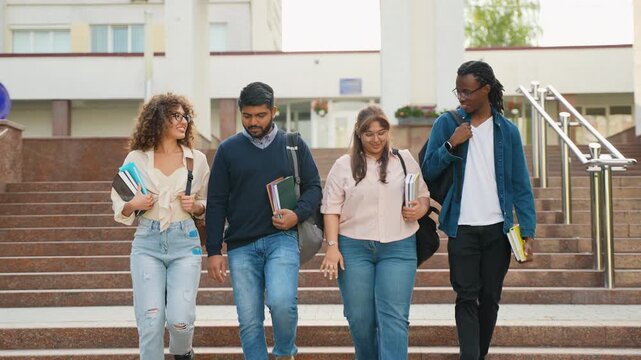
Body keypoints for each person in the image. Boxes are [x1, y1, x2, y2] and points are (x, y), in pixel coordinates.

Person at [422, 60, 537, 360]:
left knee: (490, 299)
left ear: (486, 89)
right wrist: (450, 145)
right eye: (458, 91)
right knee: (466, 297)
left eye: (467, 92)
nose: (461, 98)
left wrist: (527, 230)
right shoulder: (446, 124)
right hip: (461, 227)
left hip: (498, 229)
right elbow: (428, 171)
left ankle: (477, 354)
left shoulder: (507, 132)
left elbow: (520, 184)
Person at [205, 82, 322, 360]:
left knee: (282, 303)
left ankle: (284, 353)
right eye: (247, 116)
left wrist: (298, 214)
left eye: (260, 115)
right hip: (240, 246)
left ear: (273, 112)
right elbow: (216, 201)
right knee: (249, 320)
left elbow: (315, 187)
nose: (253, 122)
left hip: (281, 239)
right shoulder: (228, 150)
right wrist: (213, 250)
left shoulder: (293, 144)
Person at [320, 105, 429, 360]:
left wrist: (419, 210)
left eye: (381, 132)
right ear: (359, 134)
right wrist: (332, 246)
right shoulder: (343, 165)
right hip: (353, 248)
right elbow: (331, 209)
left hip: (398, 247)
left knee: (394, 318)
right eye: (369, 133)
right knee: (360, 319)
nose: (376, 138)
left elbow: (424, 195)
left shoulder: (403, 159)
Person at [111, 93, 210, 360]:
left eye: (185, 116)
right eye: (175, 116)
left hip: (184, 241)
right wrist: (134, 203)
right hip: (147, 242)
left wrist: (197, 206)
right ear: (158, 119)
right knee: (151, 320)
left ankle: (183, 353)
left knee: (181, 321)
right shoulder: (136, 158)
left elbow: (207, 201)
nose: (183, 121)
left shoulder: (196, 160)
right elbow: (120, 202)